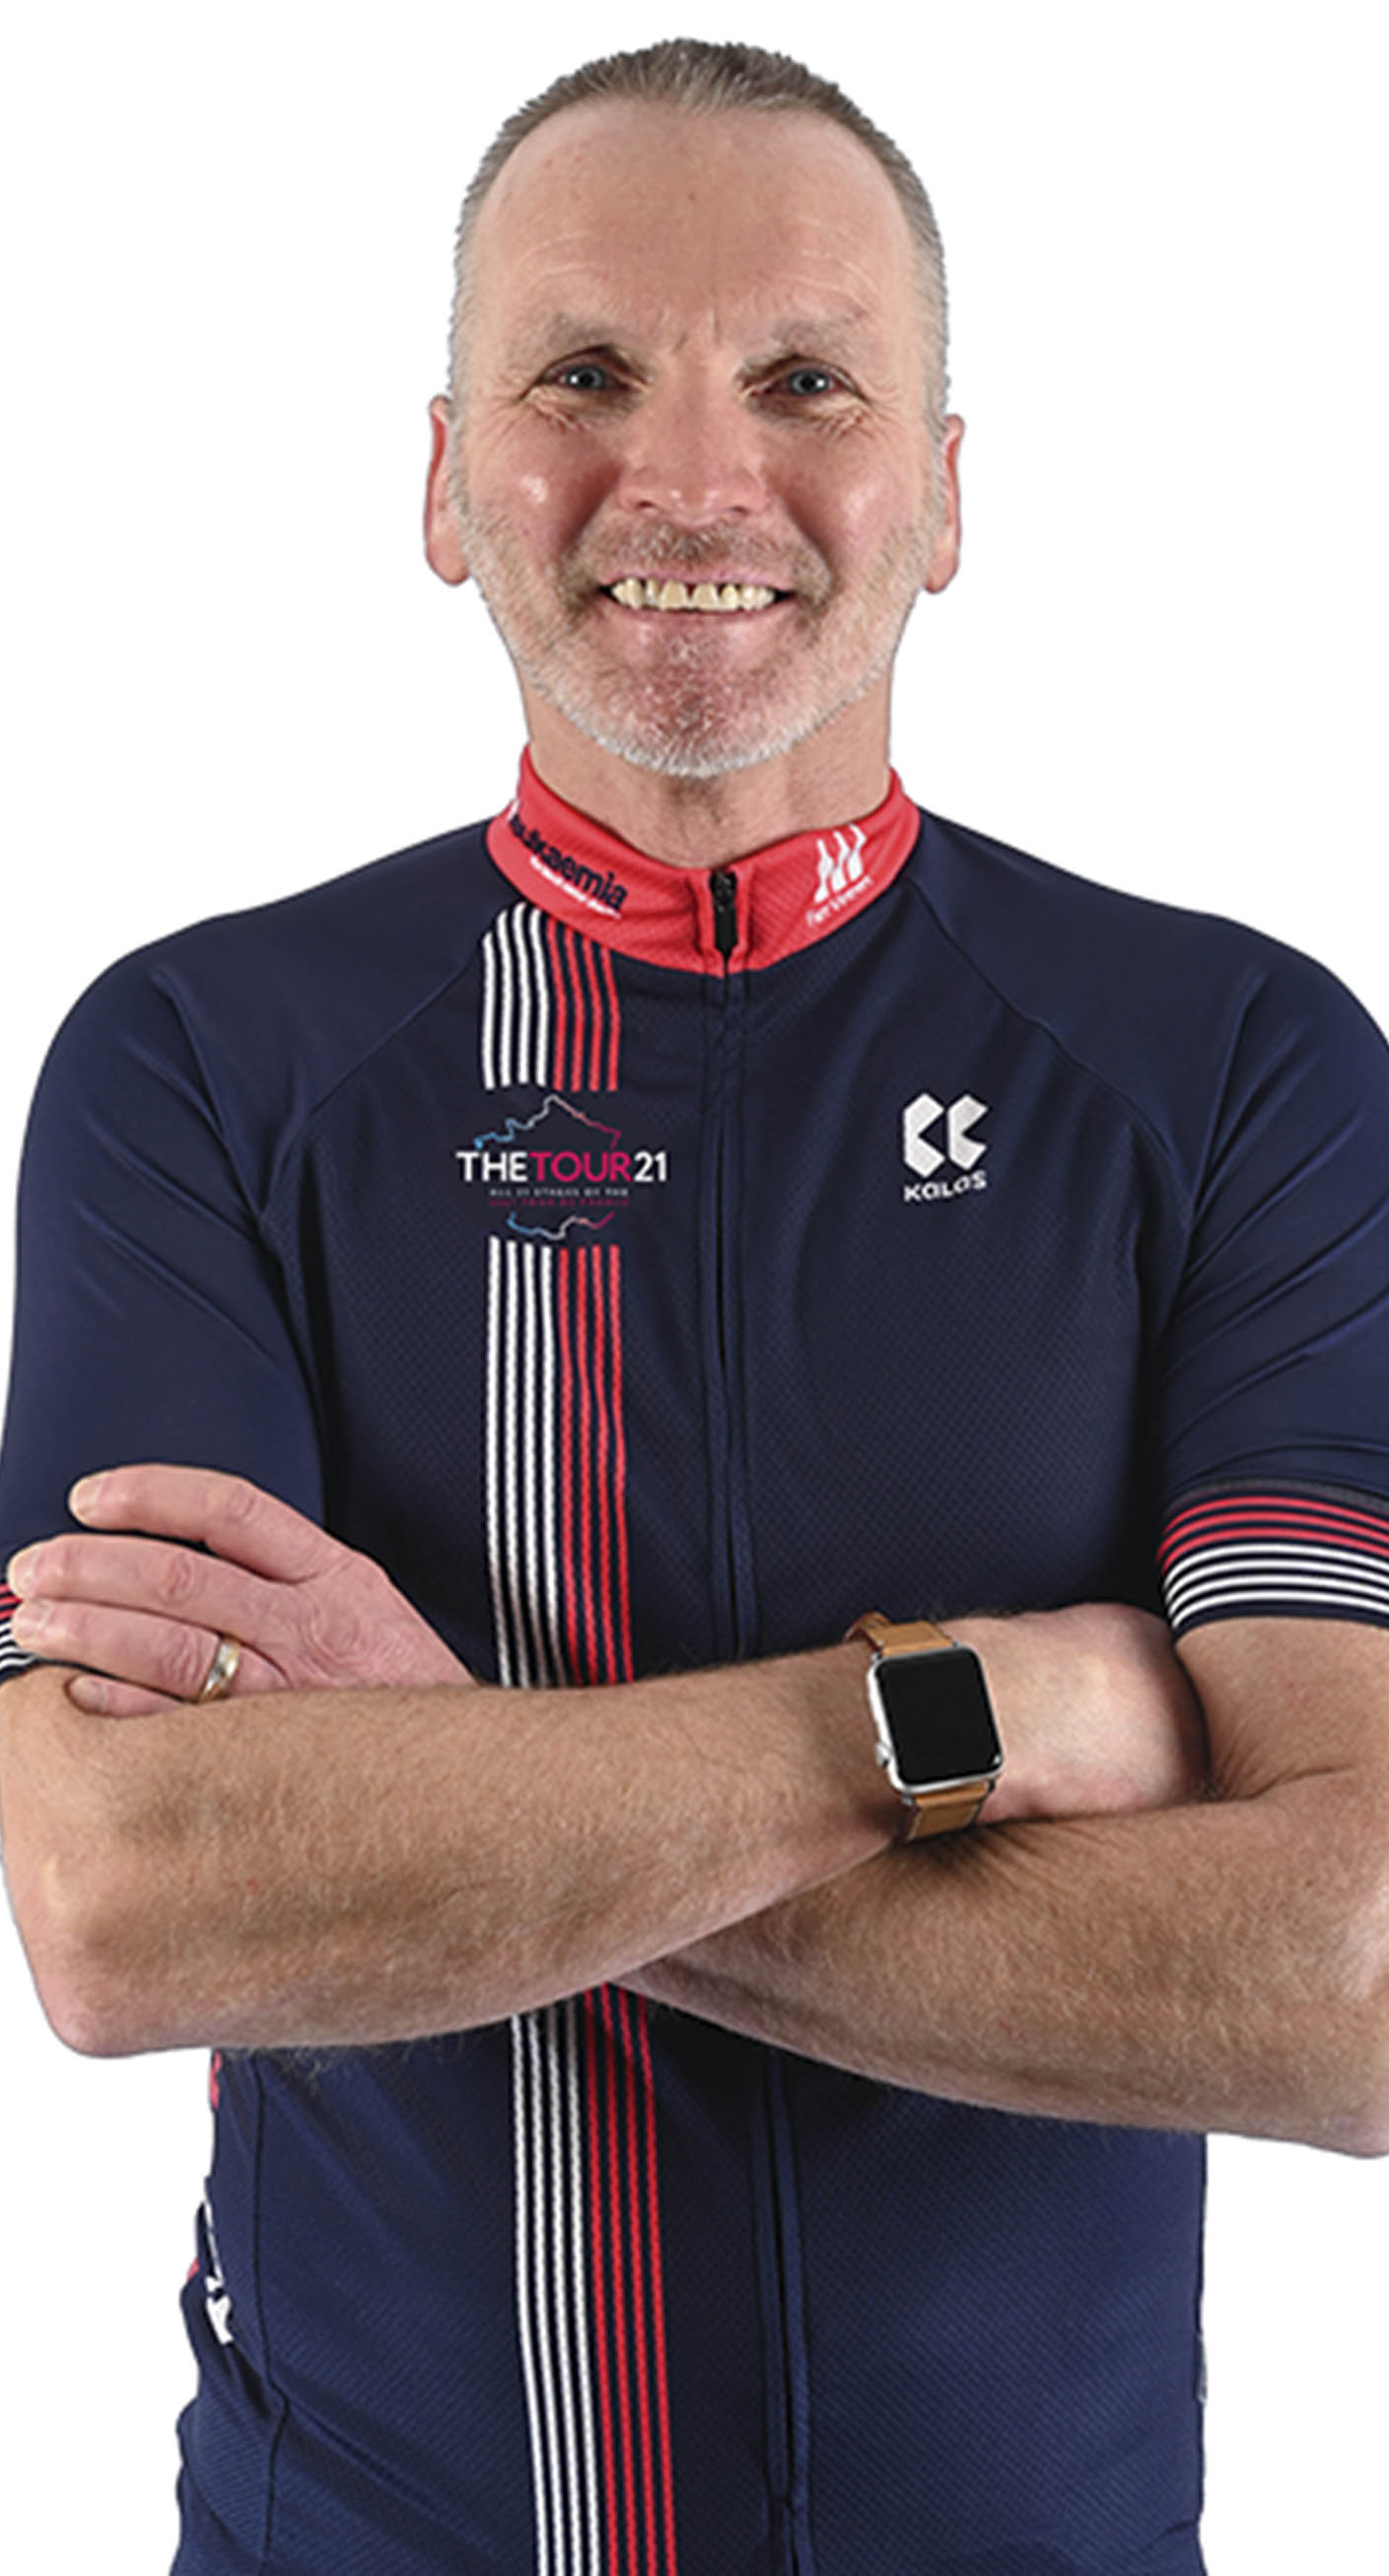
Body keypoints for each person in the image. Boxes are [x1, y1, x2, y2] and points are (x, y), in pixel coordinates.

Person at [1, 33, 1387, 2575]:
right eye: (583, 374)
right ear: (444, 483)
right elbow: (119, 1909)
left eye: (807, 384)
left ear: (944, 495)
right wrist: (962, 1717)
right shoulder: (201, 1067)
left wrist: (439, 1810)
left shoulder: (1229, 1070)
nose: (693, 478)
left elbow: (1365, 1972)